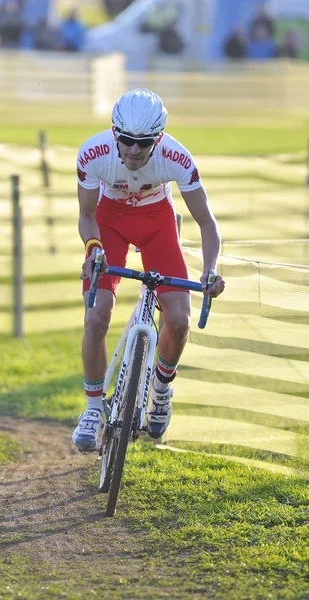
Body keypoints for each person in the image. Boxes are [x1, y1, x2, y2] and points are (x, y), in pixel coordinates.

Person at [72, 88, 225, 451]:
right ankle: (94, 408)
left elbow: (206, 222)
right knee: (96, 318)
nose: (134, 150)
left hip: (157, 223)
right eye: (126, 140)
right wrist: (93, 249)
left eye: (144, 143)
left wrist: (210, 270)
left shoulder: (177, 158)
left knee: (180, 320)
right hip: (109, 222)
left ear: (158, 139)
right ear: (114, 133)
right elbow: (87, 215)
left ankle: (160, 390)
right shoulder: (94, 154)